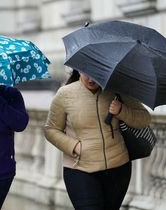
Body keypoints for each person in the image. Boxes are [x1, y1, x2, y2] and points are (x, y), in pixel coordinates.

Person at [44, 69, 151, 210]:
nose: (91, 79)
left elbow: (144, 118)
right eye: (85, 73)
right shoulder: (65, 94)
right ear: (78, 69)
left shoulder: (116, 89)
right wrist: (74, 146)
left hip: (118, 169)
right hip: (80, 169)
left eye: (95, 73)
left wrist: (121, 111)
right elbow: (51, 129)